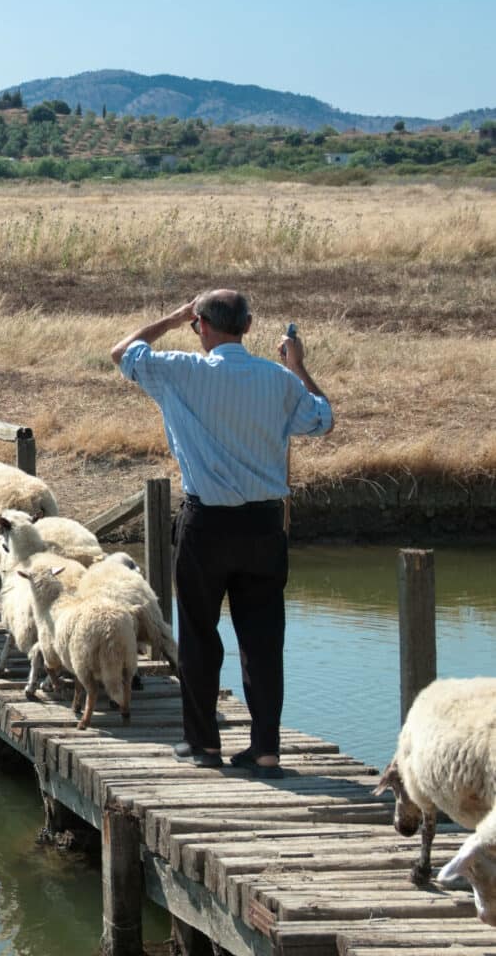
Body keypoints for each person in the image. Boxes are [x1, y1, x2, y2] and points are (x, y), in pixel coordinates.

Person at [110, 289, 332, 778]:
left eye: (195, 324)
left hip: (205, 524)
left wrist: (170, 319)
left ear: (201, 327)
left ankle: (204, 744)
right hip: (263, 526)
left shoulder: (178, 371)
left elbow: (121, 352)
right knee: (263, 639)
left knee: (198, 636)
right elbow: (322, 418)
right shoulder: (278, 380)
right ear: (248, 327)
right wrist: (297, 364)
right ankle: (266, 750)